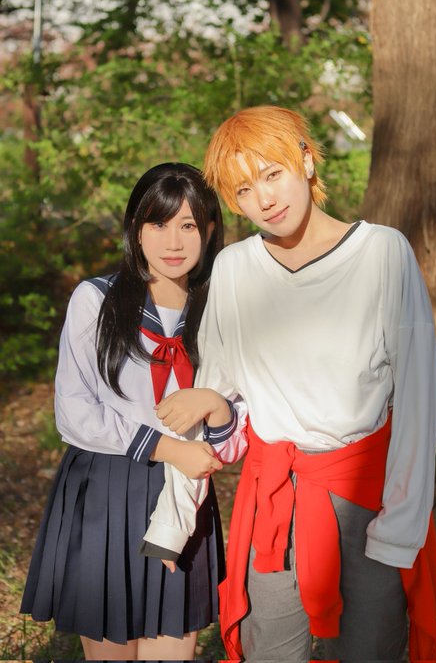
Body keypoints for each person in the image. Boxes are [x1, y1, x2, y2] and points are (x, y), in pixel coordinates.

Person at [145, 106, 436, 661]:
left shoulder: (382, 252)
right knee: (272, 651)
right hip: (275, 502)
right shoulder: (236, 269)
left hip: (368, 498)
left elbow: (418, 398)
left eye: (272, 174)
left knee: (370, 650)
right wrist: (173, 520)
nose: (264, 199)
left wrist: (402, 525)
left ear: (307, 162)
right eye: (244, 190)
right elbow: (209, 394)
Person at [20, 162, 229, 661]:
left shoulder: (220, 310)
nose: (173, 242)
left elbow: (238, 406)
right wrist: (167, 446)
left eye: (188, 225)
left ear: (210, 231)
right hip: (106, 489)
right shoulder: (96, 300)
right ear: (136, 230)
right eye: (158, 224)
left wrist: (217, 410)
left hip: (183, 494)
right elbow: (74, 411)